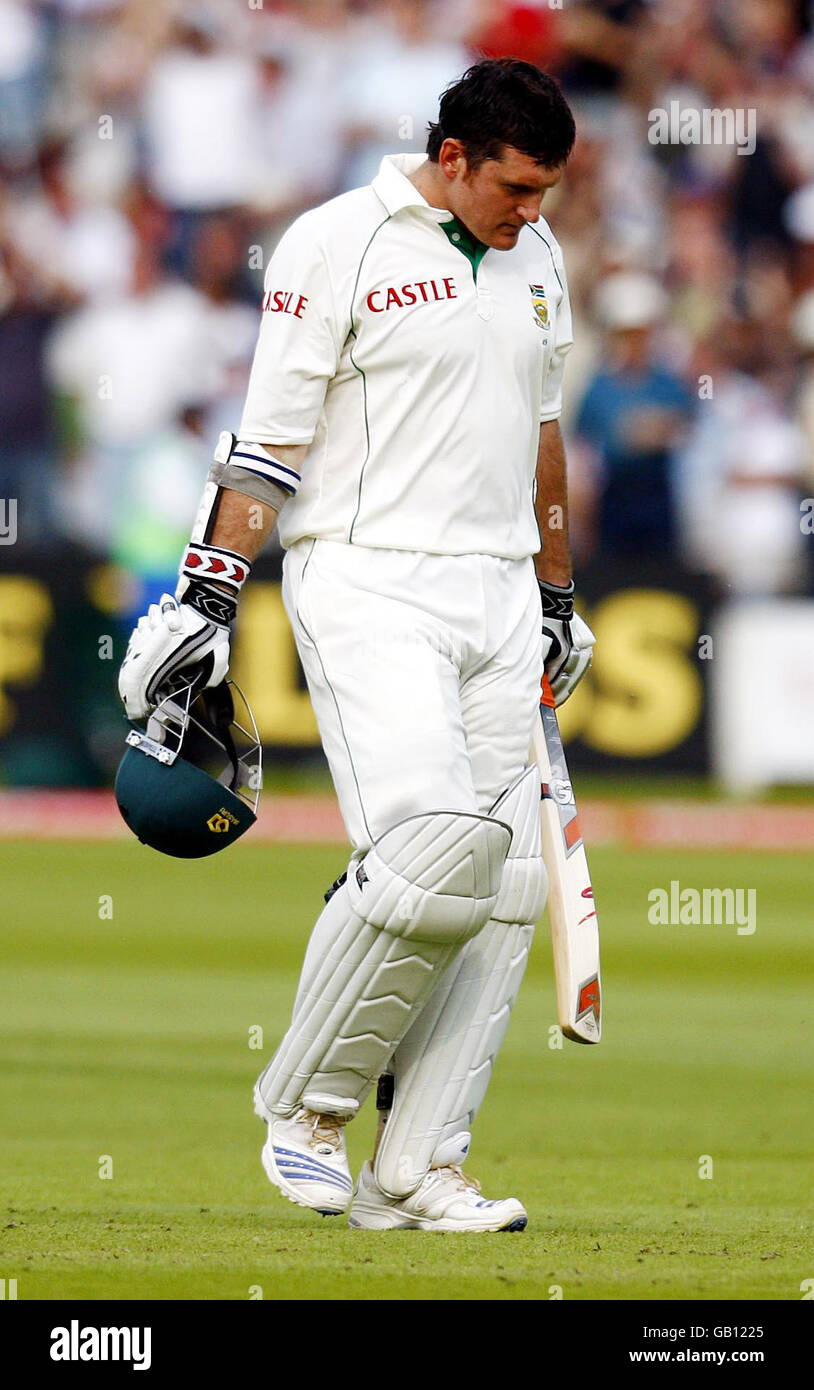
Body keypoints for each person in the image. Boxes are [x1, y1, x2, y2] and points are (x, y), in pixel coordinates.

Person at [118, 58, 594, 1233]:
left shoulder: (536, 257)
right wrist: (207, 596)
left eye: (546, 191)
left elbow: (540, 436)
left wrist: (557, 594)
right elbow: (268, 439)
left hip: (496, 593)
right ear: (452, 160)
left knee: (506, 881)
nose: (533, 212)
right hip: (369, 577)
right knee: (433, 847)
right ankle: (306, 1107)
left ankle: (421, 1165)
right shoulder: (337, 244)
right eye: (517, 187)